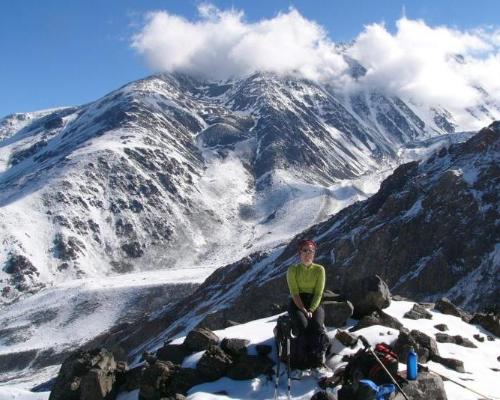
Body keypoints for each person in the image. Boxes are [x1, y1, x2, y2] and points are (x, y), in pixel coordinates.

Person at [286, 239, 328, 368]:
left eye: (311, 251)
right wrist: (303, 310)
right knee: (302, 326)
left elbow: (319, 293)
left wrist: (311, 309)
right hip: (297, 302)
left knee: (317, 327)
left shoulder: (319, 270)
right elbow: (294, 293)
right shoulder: (293, 270)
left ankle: (317, 361)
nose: (308, 253)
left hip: (314, 302)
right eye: (305, 250)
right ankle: (301, 362)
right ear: (299, 253)